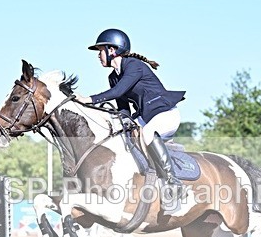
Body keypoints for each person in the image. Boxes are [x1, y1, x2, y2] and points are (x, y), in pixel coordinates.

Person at [75, 28, 186, 201]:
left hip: (166, 115)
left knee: (148, 132)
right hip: (145, 118)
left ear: (112, 50)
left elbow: (118, 91)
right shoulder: (113, 77)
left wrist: (89, 99)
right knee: (119, 136)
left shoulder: (134, 65)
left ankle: (172, 181)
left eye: (100, 51)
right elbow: (124, 109)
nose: (98, 55)